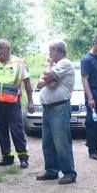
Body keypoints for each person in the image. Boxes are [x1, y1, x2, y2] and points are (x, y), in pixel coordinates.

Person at [0, 38, 35, 168]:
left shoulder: (19, 63)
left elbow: (27, 84)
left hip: (12, 104)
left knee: (17, 130)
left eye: (1, 48)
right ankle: (7, 157)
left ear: (9, 49)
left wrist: (31, 101)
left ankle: (23, 157)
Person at [35, 41, 77, 184]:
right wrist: (48, 79)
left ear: (58, 51)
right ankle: (51, 170)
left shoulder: (65, 63)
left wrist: (48, 68)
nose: (50, 54)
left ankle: (69, 173)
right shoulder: (56, 66)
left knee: (61, 142)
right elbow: (43, 83)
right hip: (47, 108)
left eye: (51, 51)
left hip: (59, 107)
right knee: (47, 142)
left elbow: (46, 79)